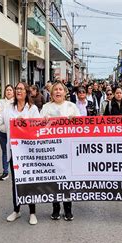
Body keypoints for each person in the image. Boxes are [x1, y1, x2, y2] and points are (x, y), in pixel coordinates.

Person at [0, 82, 41, 225]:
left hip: (29, 152)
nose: (18, 91)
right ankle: (17, 210)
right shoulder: (8, 108)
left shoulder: (32, 109)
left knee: (29, 181)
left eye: (21, 89)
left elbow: (38, 127)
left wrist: (24, 123)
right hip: (14, 151)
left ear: (27, 92)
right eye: (17, 89)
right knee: (16, 182)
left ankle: (32, 212)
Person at [40, 82, 80, 221]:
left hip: (68, 150)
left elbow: (81, 126)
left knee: (67, 180)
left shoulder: (72, 107)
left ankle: (68, 209)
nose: (58, 91)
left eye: (60, 89)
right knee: (54, 180)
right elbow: (38, 128)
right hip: (52, 150)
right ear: (51, 94)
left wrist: (74, 121)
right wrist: (43, 121)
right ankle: (55, 208)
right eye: (55, 89)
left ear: (65, 92)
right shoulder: (46, 107)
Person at [0, 84, 14, 180]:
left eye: (10, 90)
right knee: (5, 151)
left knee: (13, 152)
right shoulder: (0, 102)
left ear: (13, 92)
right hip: (2, 132)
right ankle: (5, 172)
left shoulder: (16, 102)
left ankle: (16, 171)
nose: (8, 92)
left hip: (13, 133)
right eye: (7, 90)